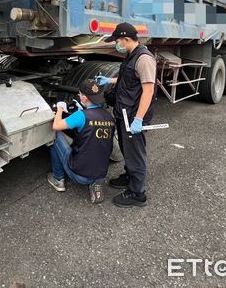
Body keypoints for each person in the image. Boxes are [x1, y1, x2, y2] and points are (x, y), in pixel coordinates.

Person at [95, 22, 157, 208]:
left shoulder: (144, 59)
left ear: (127, 39)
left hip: (134, 116)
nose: (117, 44)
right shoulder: (131, 55)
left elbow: (148, 90)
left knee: (135, 154)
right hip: (125, 112)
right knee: (126, 149)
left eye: (118, 41)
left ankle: (138, 194)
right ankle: (130, 176)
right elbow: (128, 78)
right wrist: (109, 80)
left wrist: (138, 119)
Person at [47, 79, 116, 203]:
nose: (79, 96)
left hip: (79, 175)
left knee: (55, 135)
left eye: (79, 94)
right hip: (101, 173)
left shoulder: (81, 116)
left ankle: (58, 180)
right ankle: (95, 182)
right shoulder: (109, 117)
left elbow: (56, 126)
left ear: (84, 98)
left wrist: (59, 110)